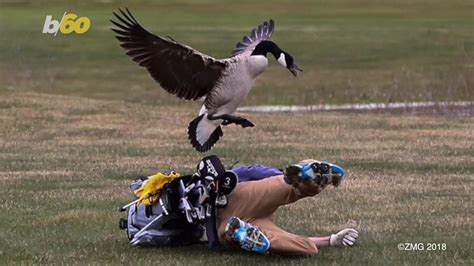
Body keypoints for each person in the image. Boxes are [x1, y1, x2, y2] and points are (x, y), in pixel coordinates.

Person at [216, 159, 359, 256]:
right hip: (229, 216)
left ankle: (303, 176)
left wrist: (330, 240)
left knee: (309, 249)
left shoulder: (212, 183)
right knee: (306, 247)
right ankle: (303, 177)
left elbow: (250, 172)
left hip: (241, 212)